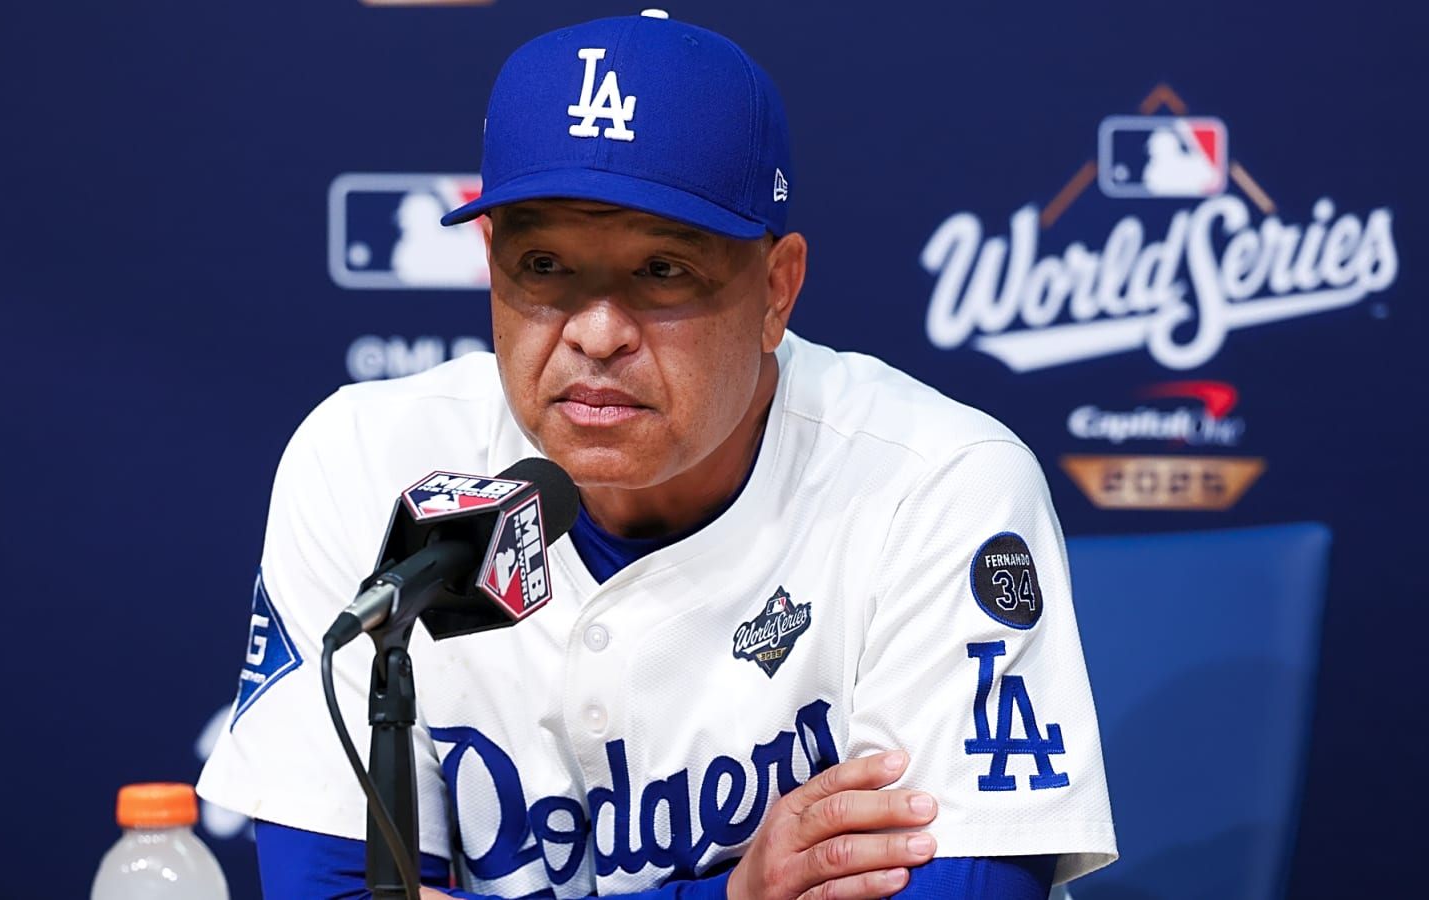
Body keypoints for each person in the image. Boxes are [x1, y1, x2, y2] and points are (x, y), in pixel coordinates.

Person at [199, 10, 1117, 899]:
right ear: (491, 260)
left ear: (777, 289)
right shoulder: (365, 461)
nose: (596, 333)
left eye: (663, 270)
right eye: (546, 267)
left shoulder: (935, 484)